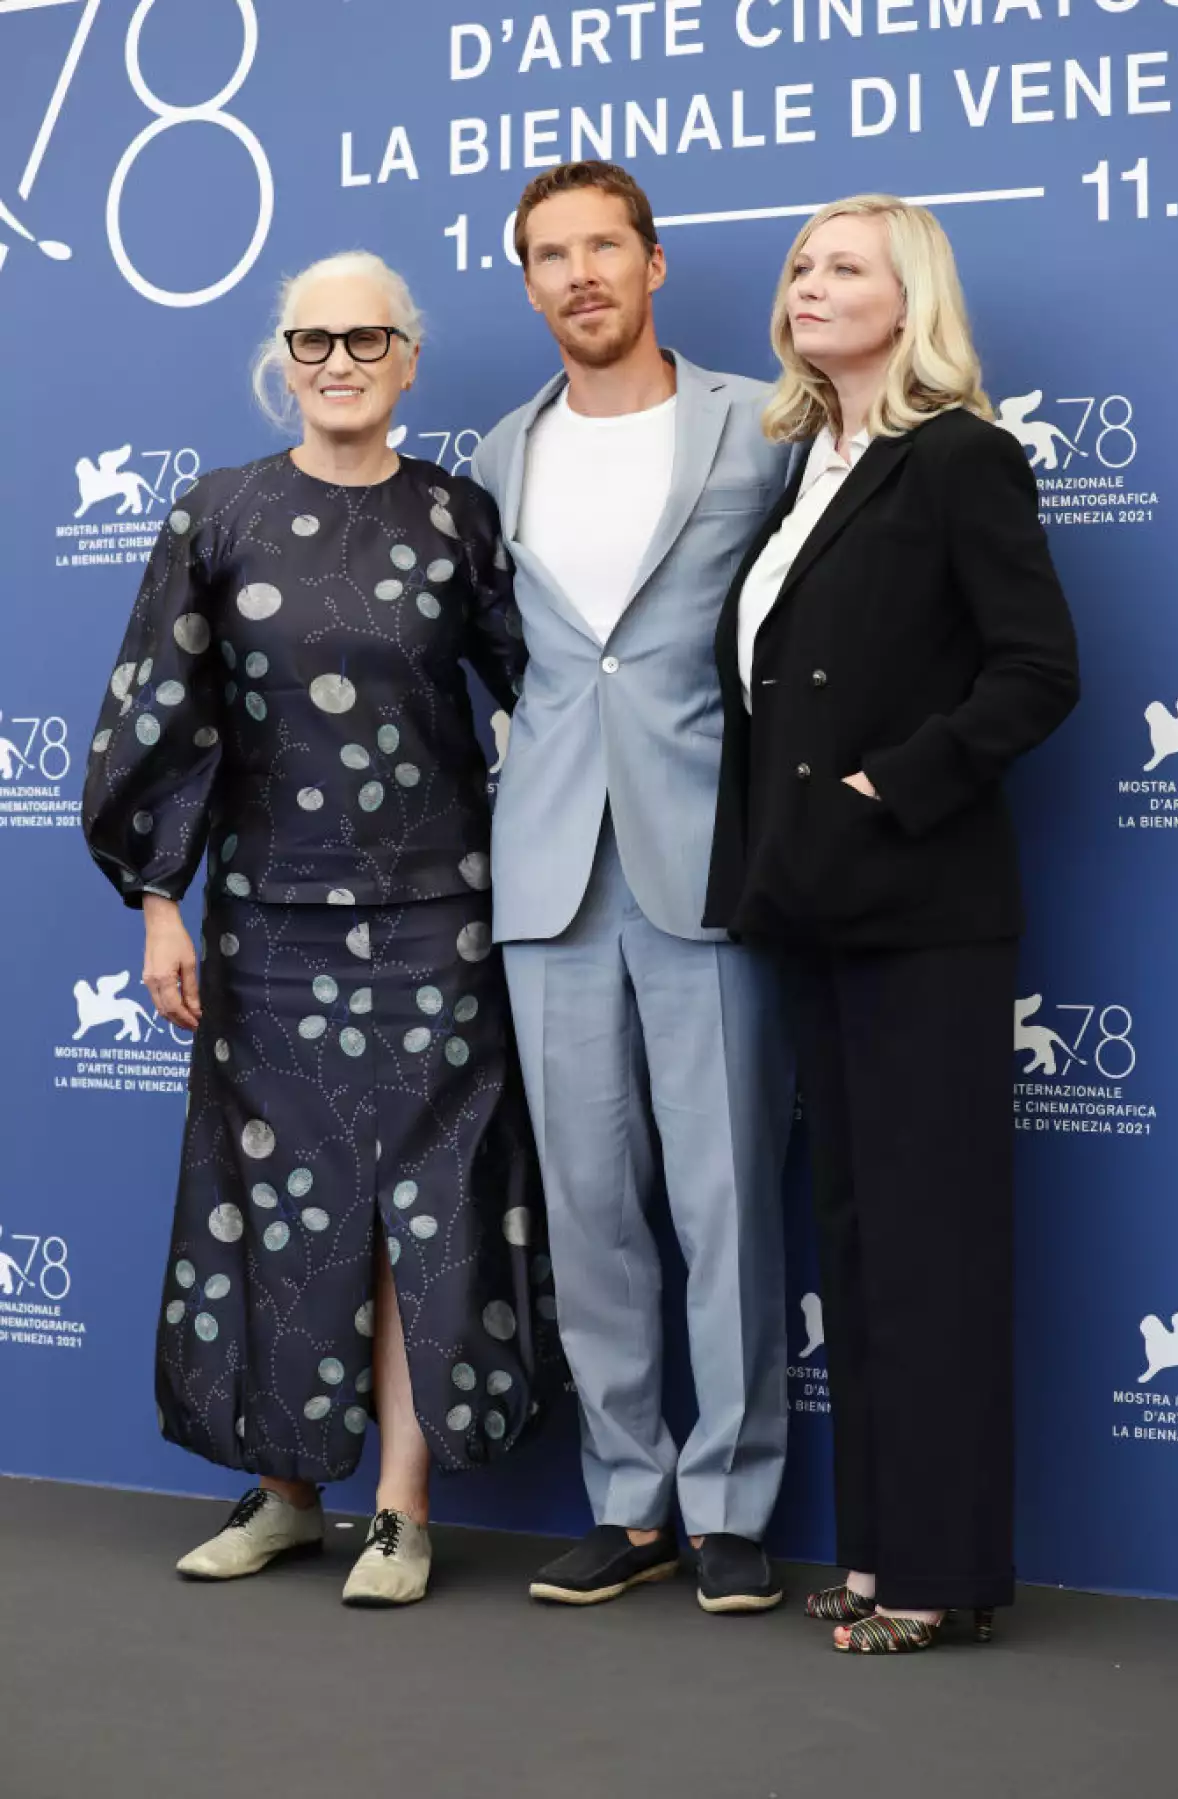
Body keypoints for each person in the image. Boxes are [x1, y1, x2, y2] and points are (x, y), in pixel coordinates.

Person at [82, 251, 550, 1607]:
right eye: (312, 338)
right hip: (268, 926)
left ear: (410, 357)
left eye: (366, 338)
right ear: (283, 359)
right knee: (276, 1207)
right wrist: (160, 899)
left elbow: (547, 698)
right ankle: (289, 1494)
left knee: (427, 1202)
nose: (338, 360)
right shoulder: (214, 513)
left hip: (438, 926)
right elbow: (158, 718)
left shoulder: (459, 516)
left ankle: (399, 1512)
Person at [704, 196, 1080, 1653]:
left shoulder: (962, 459)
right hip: (815, 911)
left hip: (924, 911)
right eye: (800, 264)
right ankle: (876, 1555)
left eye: (843, 265)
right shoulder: (808, 468)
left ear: (910, 295)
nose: (809, 282)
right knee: (859, 1244)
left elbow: (1038, 672)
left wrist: (885, 787)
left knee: (929, 1251)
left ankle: (938, 1573)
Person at [473, 161, 797, 1614]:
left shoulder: (760, 425)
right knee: (589, 1204)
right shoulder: (496, 454)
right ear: (530, 282)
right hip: (545, 871)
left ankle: (732, 1502)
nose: (580, 272)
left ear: (654, 264)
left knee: (726, 1198)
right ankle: (632, 1497)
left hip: (709, 858)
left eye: (605, 245)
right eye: (552, 254)